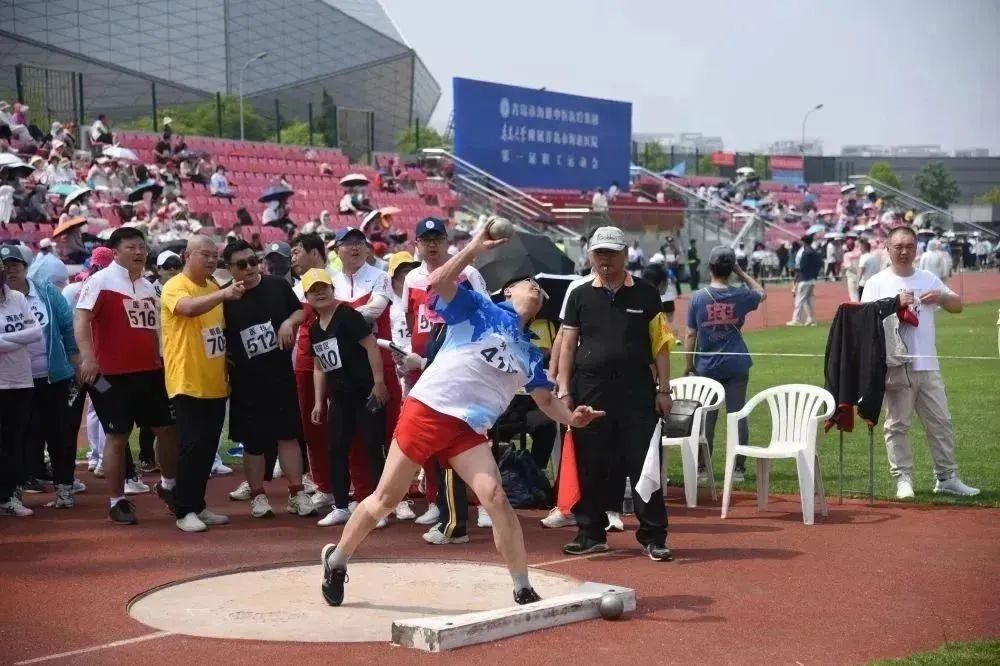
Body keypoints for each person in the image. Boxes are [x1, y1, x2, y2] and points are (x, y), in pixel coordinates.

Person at [319, 226, 604, 607]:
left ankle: (522, 586)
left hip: (469, 430)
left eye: (541, 290)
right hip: (429, 409)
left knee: (496, 497)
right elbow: (438, 281)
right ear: (508, 291)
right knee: (386, 499)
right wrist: (474, 247)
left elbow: (545, 400)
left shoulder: (530, 352)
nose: (536, 289)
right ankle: (337, 560)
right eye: (529, 284)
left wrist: (572, 418)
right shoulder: (479, 308)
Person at [557, 226, 675, 561]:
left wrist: (664, 389)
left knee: (644, 464)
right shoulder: (579, 294)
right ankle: (590, 533)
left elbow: (661, 345)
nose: (605, 259)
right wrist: (564, 389)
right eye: (599, 253)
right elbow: (568, 345)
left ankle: (653, 536)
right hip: (590, 390)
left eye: (611, 252)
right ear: (590, 256)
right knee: (591, 463)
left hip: (637, 391)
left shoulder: (647, 293)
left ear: (625, 254)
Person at [861, 226, 979, 499]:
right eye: (898, 246)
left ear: (916, 248)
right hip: (896, 366)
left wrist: (942, 297)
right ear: (887, 249)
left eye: (909, 246)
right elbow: (863, 320)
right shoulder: (877, 282)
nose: (904, 251)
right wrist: (893, 303)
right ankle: (903, 479)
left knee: (940, 423)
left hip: (928, 364)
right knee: (897, 426)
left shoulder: (928, 278)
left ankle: (946, 477)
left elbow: (957, 305)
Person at [74, 227, 178, 525]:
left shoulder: (148, 287)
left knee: (167, 429)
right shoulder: (100, 281)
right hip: (111, 376)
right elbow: (81, 318)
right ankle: (116, 501)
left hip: (150, 371)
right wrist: (88, 357)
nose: (139, 252)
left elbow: (153, 329)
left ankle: (169, 486)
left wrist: (162, 360)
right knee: (117, 435)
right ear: (116, 252)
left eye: (142, 247)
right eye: (132, 247)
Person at [401, 217, 491, 540]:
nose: (432, 245)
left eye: (437, 238)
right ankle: (448, 511)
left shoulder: (468, 274)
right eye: (426, 239)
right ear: (417, 244)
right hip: (429, 362)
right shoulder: (412, 279)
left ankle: (464, 515)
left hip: (459, 361)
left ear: (447, 241)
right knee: (440, 440)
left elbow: (486, 313)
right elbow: (410, 319)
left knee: (461, 438)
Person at [321, 227, 409, 524]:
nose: (355, 248)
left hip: (377, 364)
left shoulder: (380, 276)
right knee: (346, 438)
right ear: (337, 250)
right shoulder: (331, 281)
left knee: (383, 436)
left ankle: (391, 499)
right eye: (348, 244)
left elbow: (375, 309)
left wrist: (336, 319)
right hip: (343, 368)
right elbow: (316, 310)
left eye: (360, 242)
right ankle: (355, 499)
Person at [221, 240, 314, 519]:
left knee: (288, 435)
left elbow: (300, 310)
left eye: (253, 261)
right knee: (253, 442)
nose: (250, 268)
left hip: (280, 375)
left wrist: (288, 323)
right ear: (230, 269)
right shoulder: (224, 298)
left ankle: (297, 493)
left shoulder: (277, 286)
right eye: (242, 265)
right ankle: (258, 495)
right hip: (246, 380)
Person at [161, 235, 244, 532]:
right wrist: (223, 295)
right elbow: (188, 308)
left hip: (214, 382)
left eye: (214, 256)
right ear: (187, 255)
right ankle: (184, 510)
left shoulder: (212, 288)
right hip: (187, 381)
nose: (211, 260)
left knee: (208, 448)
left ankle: (197, 504)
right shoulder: (175, 285)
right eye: (204, 255)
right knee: (192, 446)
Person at [303, 268, 390, 528]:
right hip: (339, 398)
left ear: (332, 289)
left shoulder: (349, 316)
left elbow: (371, 346)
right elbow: (319, 366)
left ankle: (380, 509)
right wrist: (319, 401)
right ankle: (341, 506)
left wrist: (379, 383)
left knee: (372, 448)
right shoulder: (314, 329)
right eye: (313, 290)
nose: (320, 293)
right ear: (307, 296)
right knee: (336, 449)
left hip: (365, 393)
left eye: (323, 287)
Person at [1, 245, 80, 506]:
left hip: (52, 376)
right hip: (16, 381)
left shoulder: (46, 292)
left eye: (15, 265)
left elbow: (67, 327)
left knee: (60, 434)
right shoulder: (6, 298)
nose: (10, 271)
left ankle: (65, 489)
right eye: (5, 266)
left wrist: (74, 358)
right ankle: (14, 491)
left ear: (26, 267)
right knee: (19, 437)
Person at [684, 247, 766, 482]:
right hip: (736, 363)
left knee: (706, 418)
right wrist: (741, 272)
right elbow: (761, 293)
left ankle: (702, 469)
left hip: (707, 366)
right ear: (731, 269)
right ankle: (738, 469)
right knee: (737, 415)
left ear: (710, 268)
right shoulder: (740, 295)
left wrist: (688, 364)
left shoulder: (698, 297)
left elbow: (690, 334)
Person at [290, 233, 338, 509]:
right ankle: (324, 485)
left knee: (345, 425)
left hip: (340, 365)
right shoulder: (296, 290)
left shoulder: (338, 282)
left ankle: (352, 483)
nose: (293, 258)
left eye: (297, 252)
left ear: (315, 253)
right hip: (306, 365)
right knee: (313, 425)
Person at [0, 262, 42, 516]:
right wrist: (19, 339)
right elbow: (27, 334)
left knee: (14, 443)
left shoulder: (16, 298)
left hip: (20, 381)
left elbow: (36, 333)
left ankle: (7, 497)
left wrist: (4, 340)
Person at [787, 235, 821, 326]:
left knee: (799, 300)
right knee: (808, 301)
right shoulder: (815, 252)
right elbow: (819, 264)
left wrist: (796, 274)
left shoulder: (804, 252)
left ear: (803, 242)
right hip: (812, 279)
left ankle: (796, 320)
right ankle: (811, 319)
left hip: (804, 278)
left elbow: (801, 267)